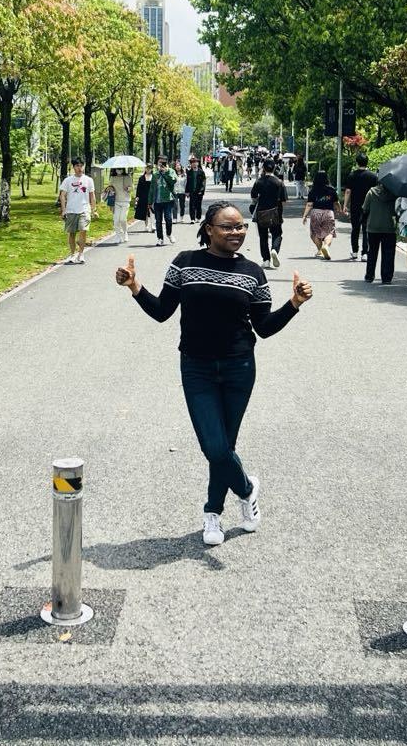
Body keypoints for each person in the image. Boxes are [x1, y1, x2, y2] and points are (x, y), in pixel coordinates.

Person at [115, 202, 313, 547]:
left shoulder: (252, 272)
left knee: (225, 446)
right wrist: (135, 287)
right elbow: (162, 311)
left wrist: (294, 304)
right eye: (227, 227)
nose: (236, 232)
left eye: (240, 227)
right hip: (197, 367)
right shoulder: (185, 263)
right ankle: (247, 489)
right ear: (209, 229)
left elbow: (264, 327)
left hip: (239, 367)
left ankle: (213, 513)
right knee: (215, 447)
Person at [251, 158, 288, 269]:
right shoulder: (279, 182)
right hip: (276, 212)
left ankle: (266, 260)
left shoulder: (258, 181)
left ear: (263, 168)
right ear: (274, 168)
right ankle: (274, 250)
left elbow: (253, 197)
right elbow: (284, 201)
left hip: (261, 212)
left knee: (263, 237)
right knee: (277, 234)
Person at [58, 158, 96, 264]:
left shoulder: (88, 180)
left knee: (83, 230)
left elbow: (92, 196)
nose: (79, 168)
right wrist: (63, 210)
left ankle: (81, 254)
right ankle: (72, 254)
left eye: (81, 165)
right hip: (71, 210)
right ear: (73, 167)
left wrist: (93, 210)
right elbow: (62, 195)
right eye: (77, 166)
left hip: (84, 209)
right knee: (72, 233)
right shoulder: (68, 180)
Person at [343, 152, 379, 262]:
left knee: (355, 229)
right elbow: (376, 192)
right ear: (367, 162)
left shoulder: (352, 175)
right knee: (366, 230)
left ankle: (354, 252)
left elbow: (348, 191)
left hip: (355, 206)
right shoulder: (373, 176)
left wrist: (345, 205)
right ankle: (365, 253)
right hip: (369, 206)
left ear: (357, 163)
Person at [360, 182, 398, 284]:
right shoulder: (395, 193)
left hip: (373, 227)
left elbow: (365, 208)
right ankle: (387, 278)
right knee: (389, 253)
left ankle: (369, 276)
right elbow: (397, 210)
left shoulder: (371, 192)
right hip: (389, 227)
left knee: (372, 251)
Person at [302, 170, 341, 260]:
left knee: (314, 233)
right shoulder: (331, 190)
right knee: (329, 232)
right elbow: (336, 202)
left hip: (316, 213)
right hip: (328, 213)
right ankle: (325, 247)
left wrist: (305, 216)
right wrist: (339, 210)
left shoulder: (313, 190)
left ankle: (320, 250)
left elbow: (309, 204)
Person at [150, 156, 178, 245]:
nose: (161, 165)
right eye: (160, 163)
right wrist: (149, 202)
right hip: (157, 201)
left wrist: (166, 172)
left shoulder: (171, 171)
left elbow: (173, 181)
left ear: (167, 163)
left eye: (163, 163)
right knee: (158, 221)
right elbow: (151, 189)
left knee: (168, 219)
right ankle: (160, 238)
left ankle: (169, 234)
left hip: (168, 200)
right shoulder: (155, 175)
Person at [105, 166, 135, 245]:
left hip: (125, 201)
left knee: (123, 219)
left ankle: (125, 232)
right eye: (118, 169)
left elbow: (132, 188)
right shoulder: (112, 178)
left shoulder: (127, 177)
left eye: (120, 169)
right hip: (116, 201)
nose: (119, 170)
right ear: (115, 169)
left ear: (123, 169)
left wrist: (128, 188)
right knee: (116, 220)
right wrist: (110, 189)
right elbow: (109, 187)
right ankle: (118, 235)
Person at [185, 157, 207, 222]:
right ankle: (192, 218)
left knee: (198, 205)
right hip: (192, 191)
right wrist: (187, 191)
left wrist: (201, 190)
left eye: (195, 162)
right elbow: (187, 182)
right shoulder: (189, 172)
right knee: (192, 205)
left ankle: (198, 217)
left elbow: (203, 182)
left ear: (198, 163)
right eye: (192, 163)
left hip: (199, 191)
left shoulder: (201, 172)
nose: (194, 164)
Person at [134, 165, 153, 232]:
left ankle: (152, 225)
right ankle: (146, 226)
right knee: (145, 212)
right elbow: (138, 188)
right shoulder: (141, 178)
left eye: (149, 168)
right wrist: (137, 197)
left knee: (152, 211)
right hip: (143, 196)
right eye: (147, 168)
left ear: (151, 169)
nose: (148, 169)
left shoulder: (154, 177)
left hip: (152, 196)